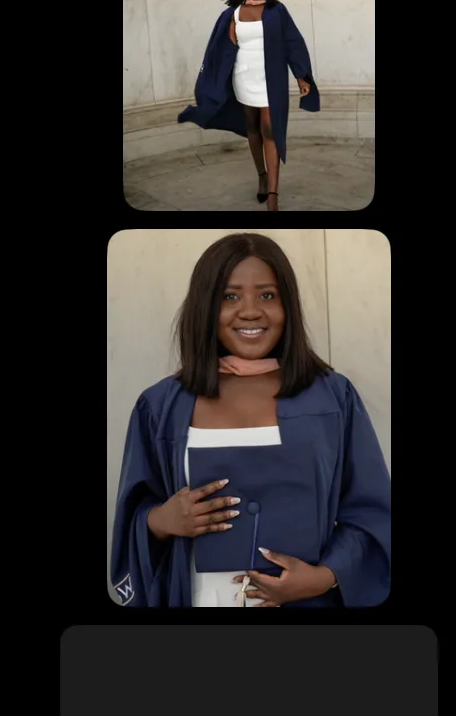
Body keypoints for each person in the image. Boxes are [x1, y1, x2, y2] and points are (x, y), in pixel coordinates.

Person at [111, 232, 390, 611]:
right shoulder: (162, 406)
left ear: (288, 305)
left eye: (267, 295)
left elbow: (371, 512)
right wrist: (162, 520)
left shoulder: (331, 397)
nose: (250, 311)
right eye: (230, 296)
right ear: (205, 306)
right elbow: (136, 516)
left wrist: (323, 577)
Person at [177, 0, 319, 207]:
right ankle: (262, 177)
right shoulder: (232, 14)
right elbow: (221, 49)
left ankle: (273, 194)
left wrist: (301, 76)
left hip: (271, 79)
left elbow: (293, 43)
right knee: (252, 128)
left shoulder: (278, 11)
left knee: (270, 129)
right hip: (244, 78)